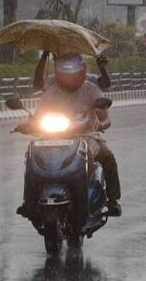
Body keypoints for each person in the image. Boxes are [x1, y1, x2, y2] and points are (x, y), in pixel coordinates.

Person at [19, 53, 122, 217]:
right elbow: (39, 115)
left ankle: (112, 199)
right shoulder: (51, 91)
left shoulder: (92, 89)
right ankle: (29, 201)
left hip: (87, 135)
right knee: (31, 156)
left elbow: (106, 119)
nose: (69, 78)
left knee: (107, 156)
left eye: (73, 73)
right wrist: (28, 125)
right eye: (65, 74)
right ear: (58, 73)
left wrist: (99, 125)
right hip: (53, 136)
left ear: (82, 72)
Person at [33, 50, 111, 91]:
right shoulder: (53, 81)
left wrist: (102, 68)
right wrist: (44, 56)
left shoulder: (87, 79)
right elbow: (37, 84)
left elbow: (106, 83)